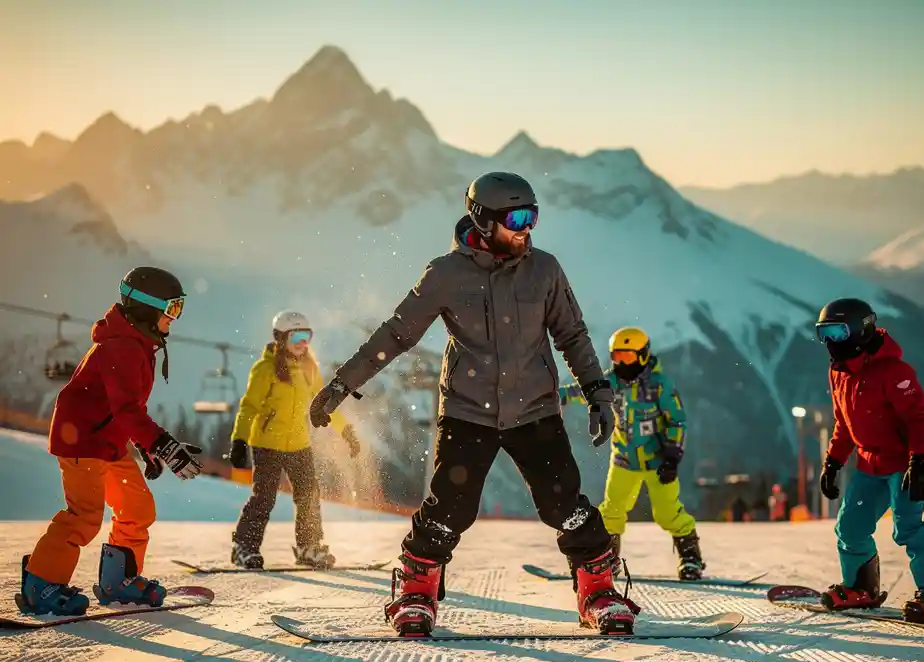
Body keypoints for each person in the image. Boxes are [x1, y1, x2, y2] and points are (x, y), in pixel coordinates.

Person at [309, 171, 639, 636]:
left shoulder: (544, 269)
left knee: (563, 503)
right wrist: (343, 384)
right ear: (483, 221)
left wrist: (597, 393)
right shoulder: (446, 274)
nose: (527, 228)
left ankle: (599, 590)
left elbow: (572, 334)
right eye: (517, 218)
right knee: (450, 508)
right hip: (469, 412)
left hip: (534, 409)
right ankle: (417, 594)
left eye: (533, 216)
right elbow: (397, 333)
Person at [19, 267, 204, 616]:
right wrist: (162, 444)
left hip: (107, 442)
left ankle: (118, 582)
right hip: (83, 441)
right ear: (149, 308)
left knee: (137, 510)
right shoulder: (122, 347)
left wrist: (147, 446)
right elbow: (125, 410)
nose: (174, 319)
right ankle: (40, 585)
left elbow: (124, 410)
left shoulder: (137, 343)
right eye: (172, 309)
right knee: (85, 516)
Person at [815, 298, 924, 623]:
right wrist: (833, 462)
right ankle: (861, 587)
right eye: (824, 333)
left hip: (903, 465)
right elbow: (843, 423)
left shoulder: (895, 372)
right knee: (849, 528)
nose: (830, 342)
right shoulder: (838, 373)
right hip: (869, 466)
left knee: (908, 528)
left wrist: (921, 462)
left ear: (860, 330)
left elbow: (919, 419)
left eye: (838, 332)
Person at [559, 327, 706, 579]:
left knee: (668, 512)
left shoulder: (659, 387)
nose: (621, 364)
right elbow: (582, 391)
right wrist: (552, 396)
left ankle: (691, 556)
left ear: (643, 355)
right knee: (612, 511)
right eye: (616, 357)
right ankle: (608, 558)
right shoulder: (612, 382)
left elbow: (677, 421)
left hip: (658, 461)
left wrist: (672, 457)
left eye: (628, 357)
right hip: (624, 460)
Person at [228, 310, 361, 569]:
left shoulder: (310, 368)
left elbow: (323, 406)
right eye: (296, 336)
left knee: (308, 494)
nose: (303, 342)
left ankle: (308, 547)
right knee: (264, 497)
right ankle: (244, 547)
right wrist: (239, 440)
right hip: (267, 443)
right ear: (280, 338)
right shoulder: (265, 369)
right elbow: (249, 408)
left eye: (307, 336)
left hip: (299, 443)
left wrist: (346, 431)